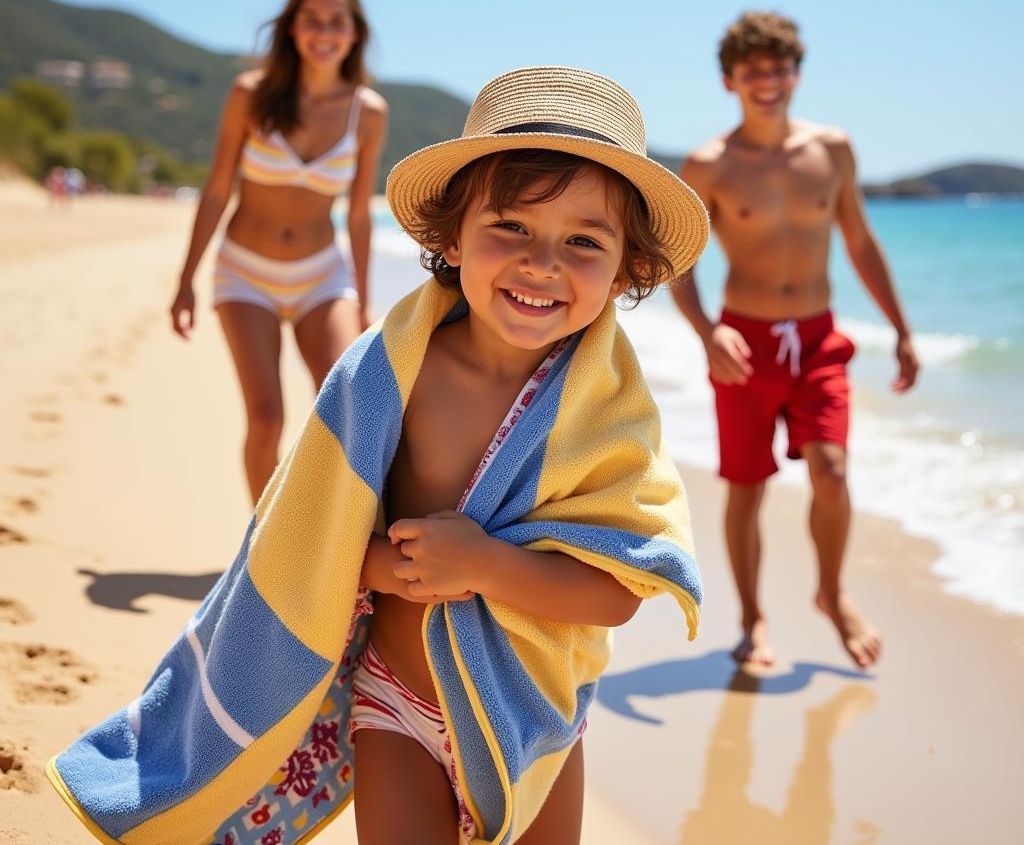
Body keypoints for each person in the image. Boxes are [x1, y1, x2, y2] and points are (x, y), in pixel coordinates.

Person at [49, 68, 708, 845]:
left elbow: (618, 592)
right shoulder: (389, 372)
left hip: (532, 715)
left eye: (584, 242)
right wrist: (372, 566)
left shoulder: (607, 414)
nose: (543, 263)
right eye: (511, 228)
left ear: (628, 267)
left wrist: (487, 566)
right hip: (394, 702)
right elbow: (304, 533)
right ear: (451, 236)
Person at [671, 12, 919, 670]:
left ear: (796, 74)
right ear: (730, 81)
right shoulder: (710, 164)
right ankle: (753, 622)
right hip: (744, 344)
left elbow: (860, 242)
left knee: (832, 472)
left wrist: (900, 328)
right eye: (752, 70)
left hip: (817, 340)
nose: (767, 81)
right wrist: (708, 333)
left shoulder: (831, 150)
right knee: (746, 489)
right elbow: (679, 264)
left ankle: (832, 596)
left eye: (778, 68)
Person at [169, 0, 388, 504]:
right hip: (245, 272)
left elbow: (358, 214)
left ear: (354, 32)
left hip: (322, 275)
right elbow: (218, 190)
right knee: (266, 419)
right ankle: (260, 546)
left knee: (347, 408)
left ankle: (328, 538)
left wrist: (360, 295)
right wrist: (186, 279)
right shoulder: (252, 95)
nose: (323, 31)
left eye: (336, 21)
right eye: (311, 19)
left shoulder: (368, 113)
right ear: (292, 28)